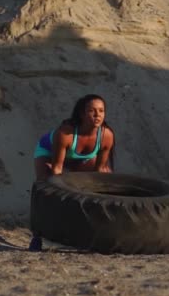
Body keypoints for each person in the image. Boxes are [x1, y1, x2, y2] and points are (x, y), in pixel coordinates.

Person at [29, 94, 115, 251]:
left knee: (105, 180)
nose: (97, 115)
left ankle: (94, 233)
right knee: (45, 187)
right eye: (92, 111)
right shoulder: (65, 133)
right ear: (82, 114)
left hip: (81, 158)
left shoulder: (106, 136)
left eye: (101, 111)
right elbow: (57, 169)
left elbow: (99, 171)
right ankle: (37, 236)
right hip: (49, 153)